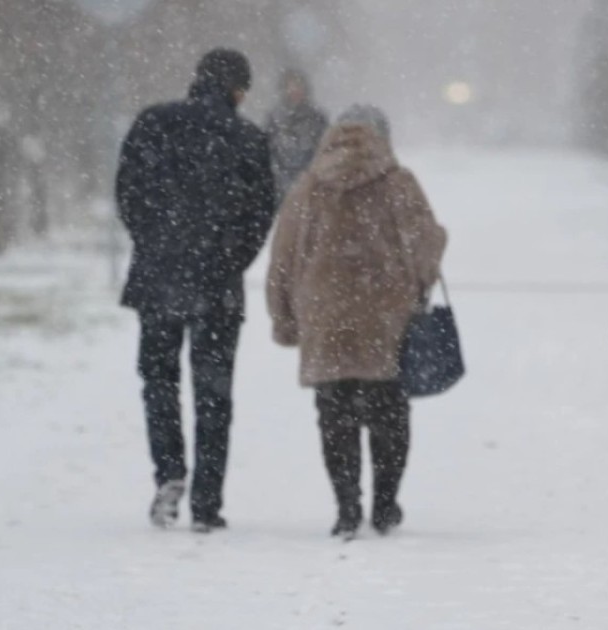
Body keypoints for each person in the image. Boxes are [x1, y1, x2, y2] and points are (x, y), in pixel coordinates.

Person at [266, 105, 447, 540]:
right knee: (389, 415)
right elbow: (426, 245)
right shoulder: (398, 184)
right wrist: (419, 284)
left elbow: (283, 261)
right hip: (386, 318)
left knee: (334, 415)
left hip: (324, 317)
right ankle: (385, 505)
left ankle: (347, 507)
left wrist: (285, 318)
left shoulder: (307, 188)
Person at [115, 48, 276, 533]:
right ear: (238, 89)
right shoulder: (247, 138)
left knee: (159, 381)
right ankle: (207, 501)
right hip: (217, 287)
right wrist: (229, 261)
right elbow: (260, 215)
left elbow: (128, 194)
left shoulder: (153, 122)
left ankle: (169, 472)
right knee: (214, 393)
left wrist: (154, 243)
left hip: (159, 278)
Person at [265, 68, 330, 200]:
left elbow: (324, 149)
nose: (294, 90)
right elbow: (268, 148)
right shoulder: (274, 117)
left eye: (298, 86)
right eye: (290, 86)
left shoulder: (317, 117)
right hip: (280, 182)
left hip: (311, 182)